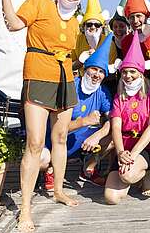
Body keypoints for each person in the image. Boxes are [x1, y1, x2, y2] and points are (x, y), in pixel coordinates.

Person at [0, 0, 90, 231]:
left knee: (59, 138)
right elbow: (13, 23)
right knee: (35, 143)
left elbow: (76, 53)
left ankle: (58, 190)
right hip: (38, 74)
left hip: (65, 79)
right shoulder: (39, 2)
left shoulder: (76, 24)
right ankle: (25, 209)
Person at [41, 33, 114, 190]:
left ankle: (89, 169)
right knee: (41, 159)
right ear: (85, 69)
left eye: (101, 72)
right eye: (94, 69)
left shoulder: (102, 92)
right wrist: (84, 121)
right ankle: (50, 169)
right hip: (54, 140)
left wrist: (98, 135)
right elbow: (57, 128)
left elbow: (113, 120)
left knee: (112, 138)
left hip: (82, 143)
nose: (97, 75)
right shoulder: (70, 86)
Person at [104, 30, 150, 205]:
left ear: (141, 73)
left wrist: (134, 154)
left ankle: (145, 172)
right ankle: (129, 174)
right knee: (110, 198)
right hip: (124, 146)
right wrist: (121, 153)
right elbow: (115, 127)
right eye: (125, 72)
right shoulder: (118, 96)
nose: (128, 76)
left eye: (132, 72)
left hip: (144, 146)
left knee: (127, 175)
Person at [72, 0, 107, 76]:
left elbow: (112, 72)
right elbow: (70, 66)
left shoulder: (108, 42)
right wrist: (80, 61)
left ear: (101, 27)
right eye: (89, 24)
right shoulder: (77, 40)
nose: (93, 27)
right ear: (84, 26)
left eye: (97, 25)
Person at [103, 0, 131, 96]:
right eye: (115, 27)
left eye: (122, 26)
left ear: (128, 28)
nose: (118, 30)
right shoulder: (109, 43)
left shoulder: (133, 43)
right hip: (111, 83)